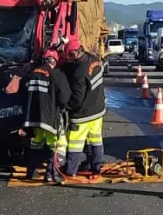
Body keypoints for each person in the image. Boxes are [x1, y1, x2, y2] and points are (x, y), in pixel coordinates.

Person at [23, 49, 71, 182]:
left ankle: (31, 172)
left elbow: (24, 93)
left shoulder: (31, 73)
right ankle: (53, 174)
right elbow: (65, 96)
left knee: (36, 143)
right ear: (54, 61)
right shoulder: (55, 74)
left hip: (33, 118)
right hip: (49, 118)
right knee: (56, 144)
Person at [63, 39, 106, 178]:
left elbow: (77, 98)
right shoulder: (94, 60)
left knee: (75, 143)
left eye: (69, 55)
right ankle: (96, 167)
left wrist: (66, 107)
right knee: (95, 139)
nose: (68, 58)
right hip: (98, 110)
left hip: (83, 115)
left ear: (75, 53)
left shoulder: (79, 72)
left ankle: (71, 171)